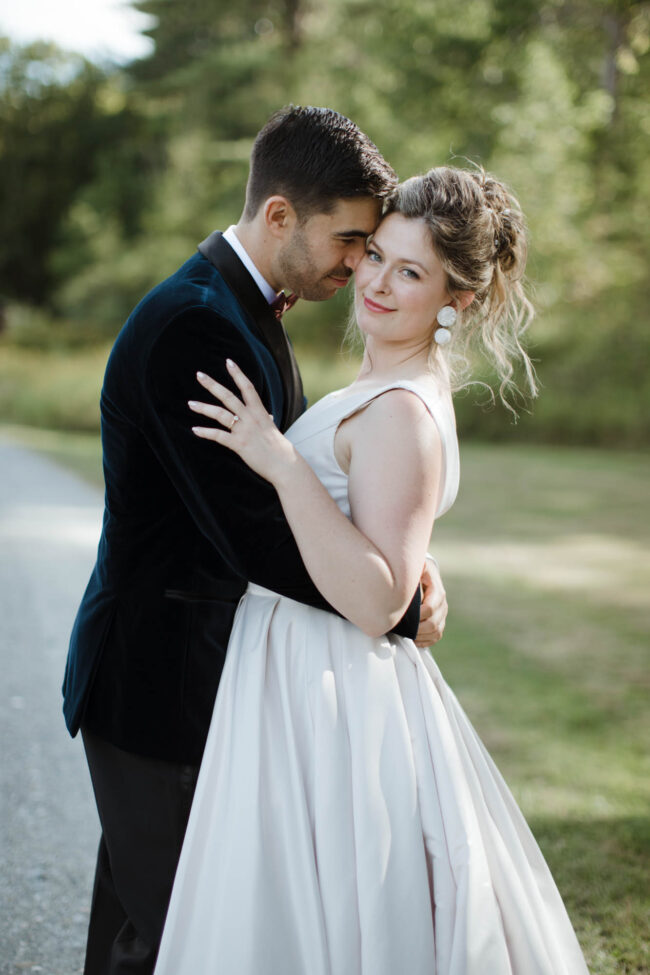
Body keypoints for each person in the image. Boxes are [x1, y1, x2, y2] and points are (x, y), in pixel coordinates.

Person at [153, 166, 590, 974]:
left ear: (454, 299)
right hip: (302, 670)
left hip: (332, 686)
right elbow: (387, 547)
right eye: (377, 254)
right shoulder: (389, 382)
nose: (378, 283)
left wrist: (282, 464)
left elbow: (375, 598)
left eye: (411, 271)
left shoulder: (400, 411)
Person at [62, 105, 448, 975]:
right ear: (280, 216)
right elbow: (252, 535)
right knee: (178, 937)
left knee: (140, 932)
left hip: (196, 675)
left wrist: (405, 561)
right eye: (350, 240)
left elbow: (302, 492)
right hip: (161, 679)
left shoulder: (243, 309)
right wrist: (391, 599)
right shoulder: (197, 324)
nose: (359, 265)